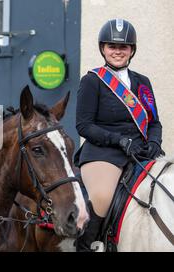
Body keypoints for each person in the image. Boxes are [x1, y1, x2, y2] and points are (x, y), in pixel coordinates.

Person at [74, 18, 163, 251]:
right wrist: (119, 140)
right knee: (102, 198)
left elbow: (154, 122)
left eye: (123, 47)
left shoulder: (143, 83)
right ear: (103, 48)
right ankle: (86, 245)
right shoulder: (92, 81)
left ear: (131, 50)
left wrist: (154, 142)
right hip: (104, 154)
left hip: (140, 153)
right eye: (112, 46)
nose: (117, 51)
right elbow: (84, 126)